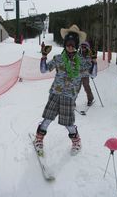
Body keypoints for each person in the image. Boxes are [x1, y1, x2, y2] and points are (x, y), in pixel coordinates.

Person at [33, 24, 92, 156]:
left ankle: (76, 142)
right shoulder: (58, 59)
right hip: (55, 93)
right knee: (47, 118)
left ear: (76, 45)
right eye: (68, 43)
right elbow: (43, 70)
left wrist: (92, 59)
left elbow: (93, 74)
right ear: (65, 44)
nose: (70, 46)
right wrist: (43, 56)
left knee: (68, 123)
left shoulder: (82, 62)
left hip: (69, 96)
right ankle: (38, 139)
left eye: (73, 44)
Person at [79, 41, 97, 106]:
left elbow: (91, 64)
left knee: (86, 86)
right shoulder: (78, 54)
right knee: (76, 88)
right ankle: (72, 100)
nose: (83, 48)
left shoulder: (89, 55)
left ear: (87, 48)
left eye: (84, 47)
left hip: (85, 74)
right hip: (78, 74)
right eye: (82, 47)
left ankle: (90, 99)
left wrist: (89, 70)